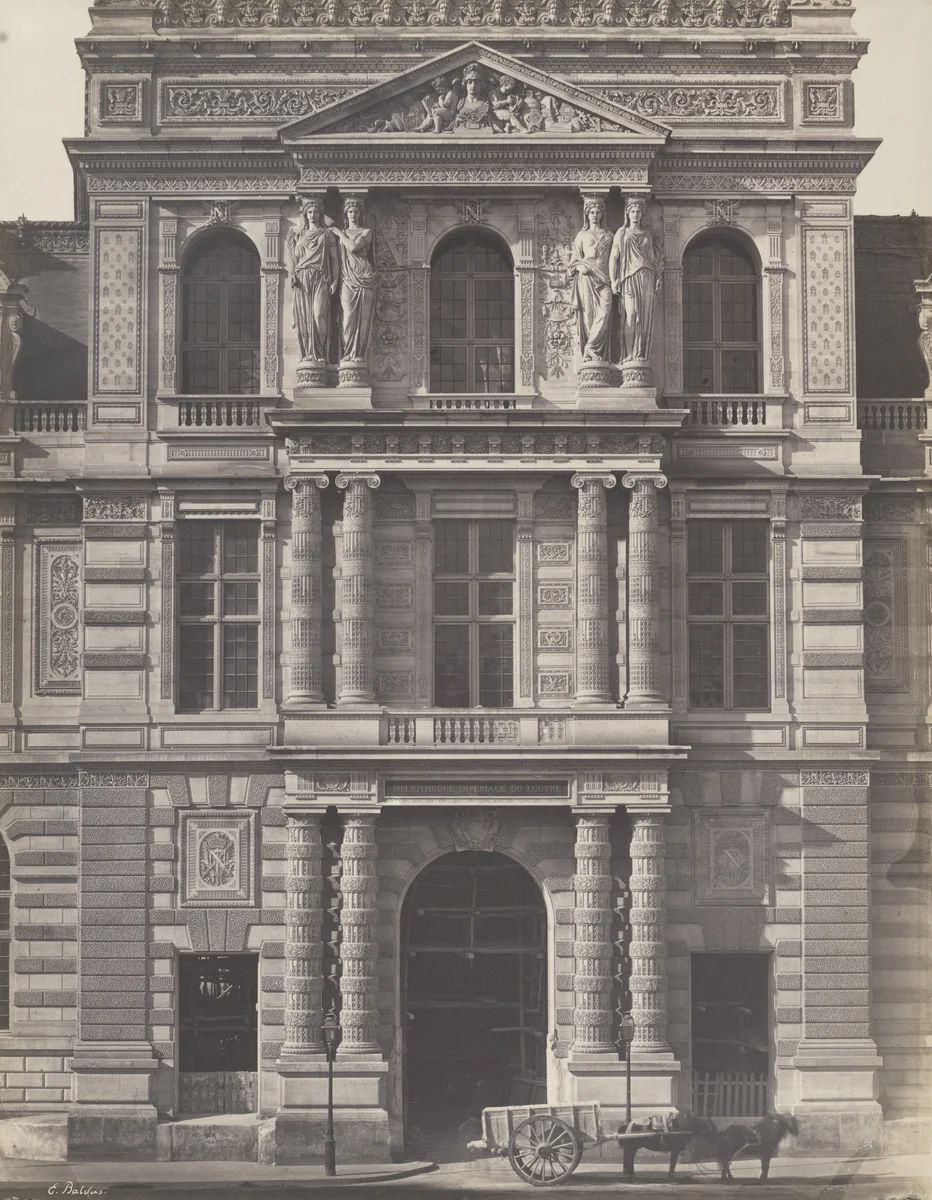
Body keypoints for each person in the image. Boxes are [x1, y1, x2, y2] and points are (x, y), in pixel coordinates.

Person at [286, 197, 340, 365]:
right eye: (309, 211)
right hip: (302, 278)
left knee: (318, 315)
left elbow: (334, 259)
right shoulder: (299, 235)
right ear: (305, 214)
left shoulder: (327, 234)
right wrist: (292, 273)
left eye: (316, 211)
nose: (312, 214)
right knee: (304, 318)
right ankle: (308, 355)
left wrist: (335, 281)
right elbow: (293, 259)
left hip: (320, 277)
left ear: (320, 213)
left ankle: (319, 354)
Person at [610, 196, 663, 364]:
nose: (635, 214)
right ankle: (629, 355)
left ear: (642, 214)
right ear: (627, 213)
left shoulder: (647, 234)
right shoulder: (622, 233)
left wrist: (658, 276)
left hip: (646, 275)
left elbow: (652, 258)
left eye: (639, 211)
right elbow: (613, 257)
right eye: (632, 211)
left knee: (643, 317)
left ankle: (639, 354)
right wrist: (613, 279)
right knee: (631, 315)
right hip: (628, 277)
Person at [329, 197, 379, 366]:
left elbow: (353, 247)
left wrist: (339, 233)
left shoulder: (366, 232)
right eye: (350, 211)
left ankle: (357, 354)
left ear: (360, 214)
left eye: (356, 211)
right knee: (347, 317)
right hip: (347, 278)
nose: (353, 214)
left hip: (364, 276)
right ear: (346, 213)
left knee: (362, 320)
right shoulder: (340, 234)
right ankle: (347, 354)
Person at [570, 197, 614, 364]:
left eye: (598, 212)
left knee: (605, 312)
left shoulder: (609, 235)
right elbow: (574, 258)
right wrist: (579, 267)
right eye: (592, 212)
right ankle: (590, 351)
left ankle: (592, 347)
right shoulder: (582, 235)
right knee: (588, 316)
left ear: (602, 214)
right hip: (586, 277)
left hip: (604, 279)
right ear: (587, 215)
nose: (595, 215)